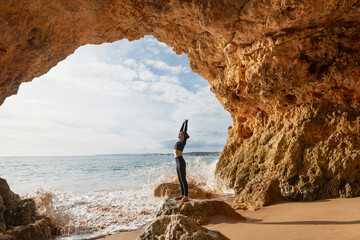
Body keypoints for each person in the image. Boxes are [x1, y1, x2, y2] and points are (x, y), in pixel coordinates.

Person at [174, 119, 190, 202]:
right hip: (177, 161)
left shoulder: (183, 142)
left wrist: (186, 123)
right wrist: (182, 123)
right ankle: (182, 195)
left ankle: (186, 196)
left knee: (183, 179)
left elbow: (184, 131)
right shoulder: (179, 141)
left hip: (180, 161)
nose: (178, 134)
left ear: (183, 135)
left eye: (180, 134)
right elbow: (181, 130)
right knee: (180, 179)